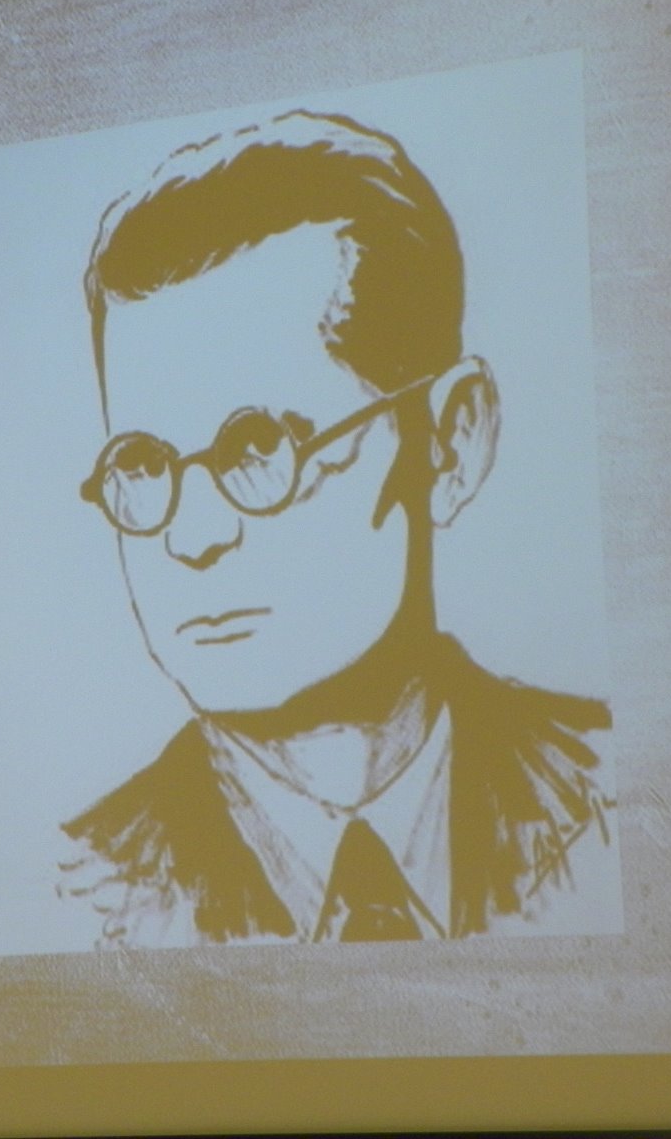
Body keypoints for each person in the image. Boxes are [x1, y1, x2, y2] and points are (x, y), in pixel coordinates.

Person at [57, 110, 619, 947]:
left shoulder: (620, 799)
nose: (193, 538)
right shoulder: (75, 898)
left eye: (258, 449)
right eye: (141, 468)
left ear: (450, 443)